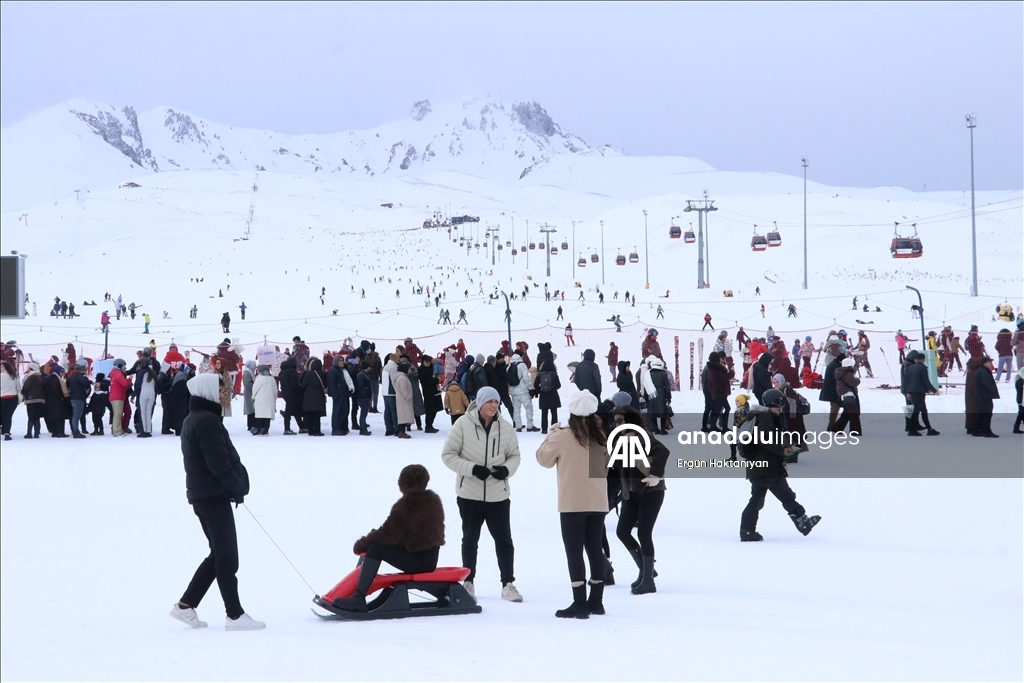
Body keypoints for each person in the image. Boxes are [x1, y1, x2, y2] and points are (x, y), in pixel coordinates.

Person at [172, 373, 264, 631]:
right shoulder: (206, 421)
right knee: (227, 558)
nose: (225, 393)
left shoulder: (198, 418)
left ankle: (185, 605)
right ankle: (234, 615)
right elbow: (218, 464)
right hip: (211, 496)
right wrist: (237, 486)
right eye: (221, 389)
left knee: (219, 555)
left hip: (204, 495)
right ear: (208, 392)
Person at [440, 386, 523, 602]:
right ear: (480, 403)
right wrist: (472, 469)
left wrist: (506, 470)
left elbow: (515, 456)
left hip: (498, 496)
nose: (494, 405)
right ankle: (468, 583)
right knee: (470, 540)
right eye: (490, 402)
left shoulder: (505, 428)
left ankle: (508, 584)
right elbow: (448, 455)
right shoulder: (463, 425)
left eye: (496, 402)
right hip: (469, 495)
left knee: (504, 541)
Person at [331, 465, 446, 612]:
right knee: (376, 545)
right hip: (429, 558)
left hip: (419, 561)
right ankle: (357, 596)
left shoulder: (405, 506)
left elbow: (388, 534)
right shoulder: (433, 500)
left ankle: (359, 597)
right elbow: (410, 533)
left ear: (402, 485)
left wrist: (364, 543)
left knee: (375, 549)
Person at [536, 391, 609, 618]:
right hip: (598, 501)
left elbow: (543, 459)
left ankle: (579, 604)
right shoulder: (601, 436)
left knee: (574, 552)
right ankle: (596, 601)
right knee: (595, 549)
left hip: (572, 503)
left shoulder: (563, 435)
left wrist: (550, 435)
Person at [738, 388, 821, 542]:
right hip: (768, 467)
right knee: (786, 495)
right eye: (780, 405)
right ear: (775, 402)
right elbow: (764, 440)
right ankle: (803, 522)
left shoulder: (758, 415)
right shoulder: (766, 417)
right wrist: (782, 451)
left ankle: (747, 530)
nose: (781, 408)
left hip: (757, 466)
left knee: (757, 499)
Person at [904, 351, 939, 436]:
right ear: (923, 360)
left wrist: (908, 392)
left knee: (923, 411)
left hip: (912, 392)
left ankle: (929, 429)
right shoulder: (922, 368)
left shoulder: (910, 368)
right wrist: (934, 390)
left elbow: (906, 381)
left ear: (916, 359)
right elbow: (926, 381)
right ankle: (912, 430)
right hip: (919, 392)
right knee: (916, 411)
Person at [832, 357, 862, 436]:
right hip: (848, 395)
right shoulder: (847, 373)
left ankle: (836, 428)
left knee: (846, 414)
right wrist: (858, 379)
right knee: (853, 415)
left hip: (845, 395)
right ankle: (855, 432)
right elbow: (853, 383)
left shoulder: (842, 372)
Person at [973, 356, 1000, 437]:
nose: (991, 364)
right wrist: (993, 388)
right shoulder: (984, 371)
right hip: (985, 396)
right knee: (987, 413)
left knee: (981, 413)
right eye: (989, 362)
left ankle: (976, 430)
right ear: (985, 363)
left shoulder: (979, 370)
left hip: (981, 396)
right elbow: (986, 382)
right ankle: (986, 431)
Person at [535, 356, 562, 434]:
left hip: (543, 395)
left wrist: (540, 391)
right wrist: (553, 388)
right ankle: (554, 428)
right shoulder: (554, 374)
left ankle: (544, 429)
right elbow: (559, 385)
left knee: (544, 412)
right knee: (554, 412)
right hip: (553, 395)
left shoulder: (540, 374)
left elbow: (535, 385)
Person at [300, 358, 327, 436]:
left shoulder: (308, 373)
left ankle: (311, 430)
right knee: (317, 415)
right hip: (319, 395)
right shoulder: (323, 374)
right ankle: (317, 431)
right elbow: (325, 384)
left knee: (310, 415)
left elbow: (304, 384)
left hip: (308, 395)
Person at [328, 355, 354, 436]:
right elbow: (332, 383)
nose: (342, 362)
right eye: (340, 361)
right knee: (337, 412)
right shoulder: (333, 371)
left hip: (343, 394)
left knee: (345, 411)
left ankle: (341, 427)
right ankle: (335, 429)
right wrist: (334, 394)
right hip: (337, 395)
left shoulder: (343, 370)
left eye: (342, 360)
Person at [819, 353, 843, 431]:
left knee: (835, 408)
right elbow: (838, 378)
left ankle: (832, 424)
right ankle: (831, 425)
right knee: (835, 408)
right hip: (833, 390)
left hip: (831, 390)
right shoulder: (836, 366)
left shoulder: (833, 364)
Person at [418, 355, 442, 433]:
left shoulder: (432, 367)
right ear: (423, 361)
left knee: (435, 409)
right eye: (426, 361)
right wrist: (436, 380)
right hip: (427, 392)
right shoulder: (421, 369)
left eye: (429, 361)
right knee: (430, 409)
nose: (428, 362)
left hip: (435, 390)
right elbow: (426, 380)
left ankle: (430, 425)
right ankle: (428, 426)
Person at [251, 365, 276, 435]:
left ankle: (258, 430)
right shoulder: (272, 378)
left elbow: (255, 388)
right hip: (270, 399)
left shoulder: (259, 378)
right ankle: (266, 430)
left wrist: (253, 396)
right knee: (268, 415)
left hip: (260, 398)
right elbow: (275, 389)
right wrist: (274, 398)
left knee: (259, 415)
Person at [0, 360, 21, 440]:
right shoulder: (14, 376)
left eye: (1, 366)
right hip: (13, 398)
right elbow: (18, 388)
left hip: (2, 397)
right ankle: (7, 433)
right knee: (8, 416)